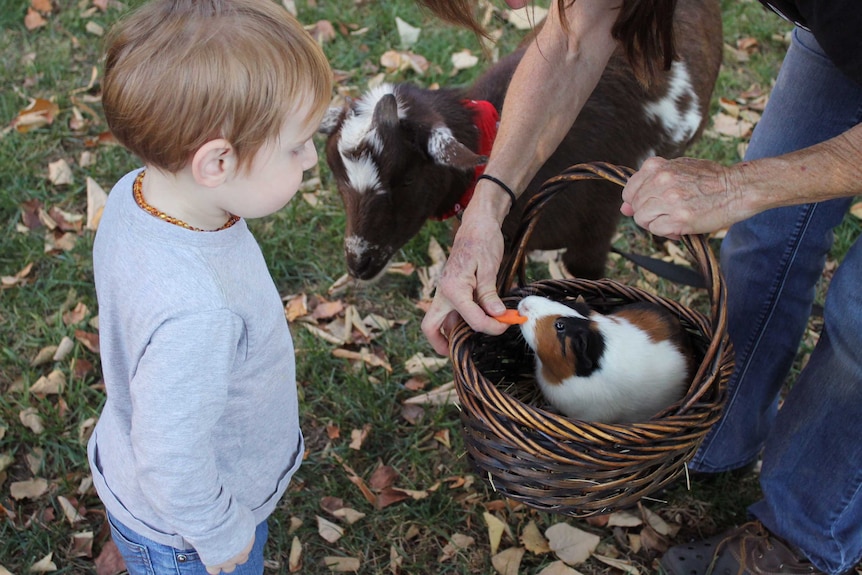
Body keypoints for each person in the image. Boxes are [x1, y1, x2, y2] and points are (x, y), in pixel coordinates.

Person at [417, 0, 862, 573]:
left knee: (857, 319)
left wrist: (743, 185)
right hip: (840, 32)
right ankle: (717, 429)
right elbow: (575, 40)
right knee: (763, 236)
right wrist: (485, 212)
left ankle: (807, 532)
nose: (511, 8)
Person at [88, 1, 331, 573]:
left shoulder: (139, 191)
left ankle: (130, 543)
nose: (312, 157)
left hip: (147, 476)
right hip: (191, 537)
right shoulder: (200, 315)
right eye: (296, 146)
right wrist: (221, 535)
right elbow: (172, 455)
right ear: (216, 163)